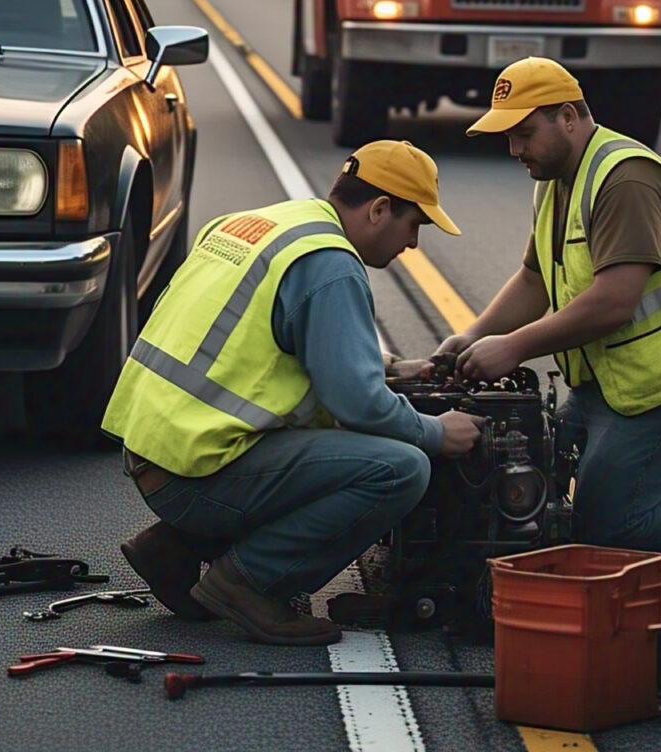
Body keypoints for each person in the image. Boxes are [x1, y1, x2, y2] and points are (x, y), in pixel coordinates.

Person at [102, 140, 485, 645]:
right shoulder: (331, 263)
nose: (413, 243)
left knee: (326, 444)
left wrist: (389, 367)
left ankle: (174, 548)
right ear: (379, 209)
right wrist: (436, 432)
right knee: (401, 468)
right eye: (414, 224)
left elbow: (270, 345)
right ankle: (248, 582)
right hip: (195, 474)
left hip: (159, 451)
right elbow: (359, 405)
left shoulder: (269, 226)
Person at [437, 57, 661, 570]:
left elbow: (615, 301)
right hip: (613, 384)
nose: (514, 150)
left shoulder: (625, 180)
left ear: (568, 117)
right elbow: (533, 279)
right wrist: (475, 333)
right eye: (508, 136)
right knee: (524, 469)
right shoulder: (555, 180)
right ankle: (643, 485)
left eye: (524, 134)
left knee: (605, 528)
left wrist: (514, 346)